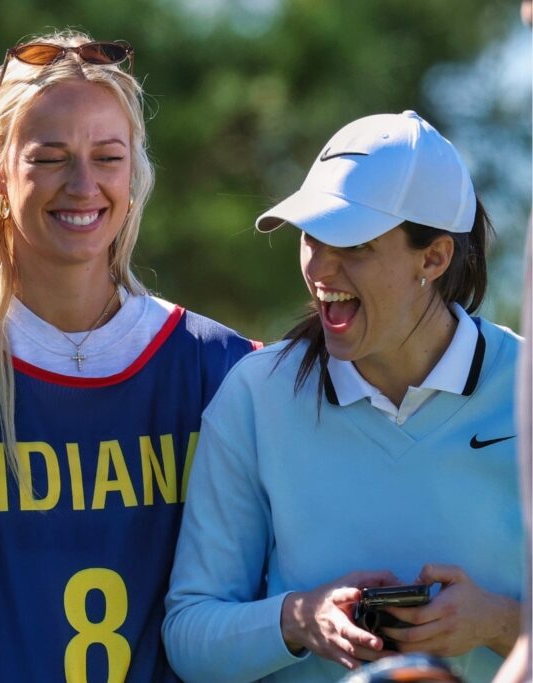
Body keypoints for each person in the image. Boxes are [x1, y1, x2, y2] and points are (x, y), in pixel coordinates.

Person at [0, 30, 258, 682]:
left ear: (134, 170)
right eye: (50, 157)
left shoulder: (224, 367)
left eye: (107, 157)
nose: (83, 185)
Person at [163, 111, 523, 683]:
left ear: (433, 258)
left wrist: (500, 623)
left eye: (353, 244)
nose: (320, 268)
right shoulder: (255, 396)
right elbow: (189, 637)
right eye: (312, 237)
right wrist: (299, 620)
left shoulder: (525, 388)